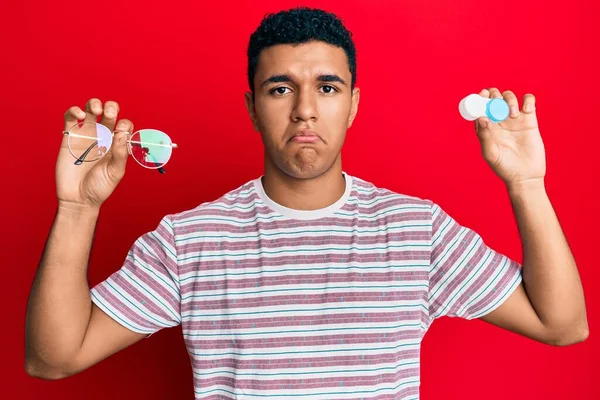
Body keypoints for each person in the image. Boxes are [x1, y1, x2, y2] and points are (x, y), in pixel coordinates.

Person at [25, 7, 589, 400]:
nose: (304, 111)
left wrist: (526, 183)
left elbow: (562, 324)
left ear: (353, 104)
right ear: (252, 107)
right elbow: (53, 358)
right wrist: (77, 208)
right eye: (279, 88)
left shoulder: (418, 231)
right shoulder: (189, 240)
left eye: (326, 87)